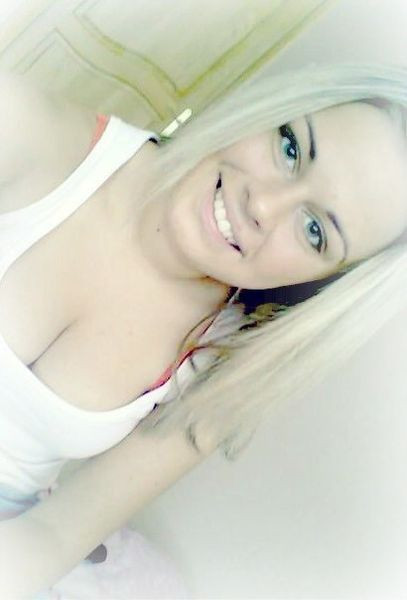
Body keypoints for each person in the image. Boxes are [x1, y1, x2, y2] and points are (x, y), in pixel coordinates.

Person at [0, 62, 407, 597]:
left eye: (315, 231)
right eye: (290, 148)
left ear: (322, 279)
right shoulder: (33, 137)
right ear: (271, 109)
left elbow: (57, 534)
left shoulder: (223, 365)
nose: (263, 205)